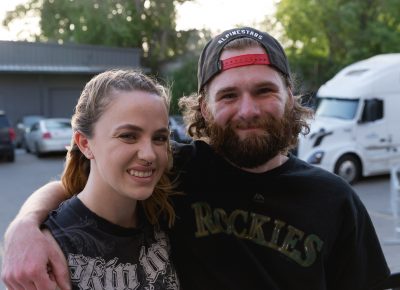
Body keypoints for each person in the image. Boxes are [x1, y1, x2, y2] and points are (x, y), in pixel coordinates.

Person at [1, 27, 390, 290]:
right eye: (228, 96)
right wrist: (24, 227)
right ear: (203, 107)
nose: (248, 109)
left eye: (264, 91)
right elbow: (81, 182)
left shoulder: (336, 201)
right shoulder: (177, 168)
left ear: (290, 95)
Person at [3, 69, 181, 289]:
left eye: (160, 138)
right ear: (85, 143)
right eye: (128, 136)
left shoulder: (167, 211)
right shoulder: (51, 250)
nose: (149, 154)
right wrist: (24, 224)